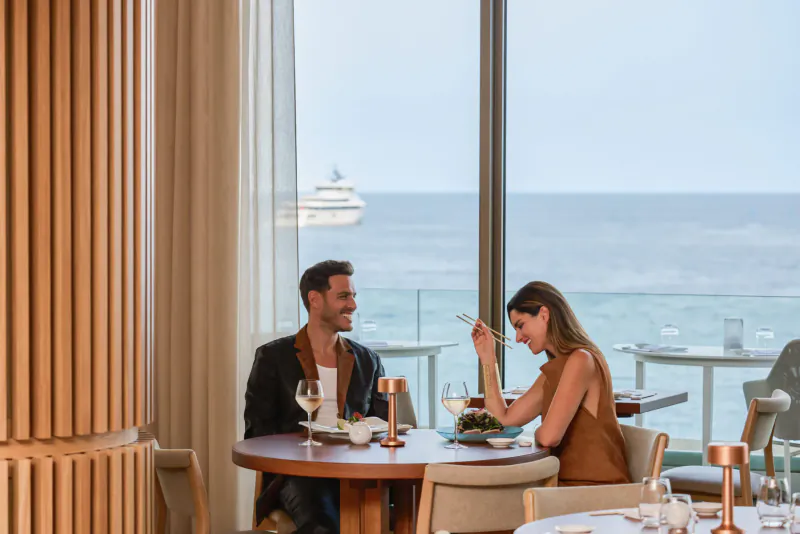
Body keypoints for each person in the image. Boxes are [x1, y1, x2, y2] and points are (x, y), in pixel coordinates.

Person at [244, 260, 388, 534]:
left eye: (354, 296)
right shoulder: (273, 357)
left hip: (358, 472)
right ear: (315, 299)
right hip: (299, 476)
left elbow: (385, 423)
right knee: (323, 524)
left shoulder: (368, 360)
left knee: (414, 509)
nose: (353, 305)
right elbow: (257, 434)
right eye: (344, 296)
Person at [472, 281, 630, 486]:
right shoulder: (557, 370)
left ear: (544, 314)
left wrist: (536, 432)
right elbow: (504, 419)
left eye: (520, 325)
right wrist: (487, 358)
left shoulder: (582, 360)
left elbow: (548, 437)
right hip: (563, 485)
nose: (518, 337)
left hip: (596, 488)